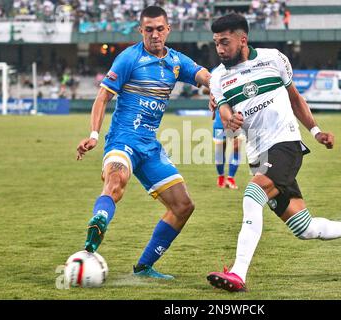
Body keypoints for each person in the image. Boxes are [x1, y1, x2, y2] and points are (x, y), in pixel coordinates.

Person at [206, 13, 341, 292]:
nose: (220, 49)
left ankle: (238, 273)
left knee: (252, 195)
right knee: (304, 227)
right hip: (259, 156)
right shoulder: (218, 77)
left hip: (285, 145)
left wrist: (316, 131)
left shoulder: (274, 58)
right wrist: (228, 119)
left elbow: (295, 98)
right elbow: (224, 110)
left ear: (243, 39)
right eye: (216, 44)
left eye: (225, 42)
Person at [76, 6, 211, 280]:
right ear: (141, 31)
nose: (154, 34)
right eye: (148, 29)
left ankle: (144, 267)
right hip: (122, 141)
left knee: (183, 206)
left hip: (150, 148)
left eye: (160, 28)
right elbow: (103, 97)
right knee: (116, 180)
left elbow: (203, 75)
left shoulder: (175, 61)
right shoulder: (129, 58)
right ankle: (99, 223)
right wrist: (93, 135)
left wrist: (215, 90)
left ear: (168, 29)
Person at [212, 107, 241, 189]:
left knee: (236, 147)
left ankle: (230, 178)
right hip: (220, 122)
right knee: (220, 151)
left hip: (236, 120)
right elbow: (205, 93)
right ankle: (221, 176)